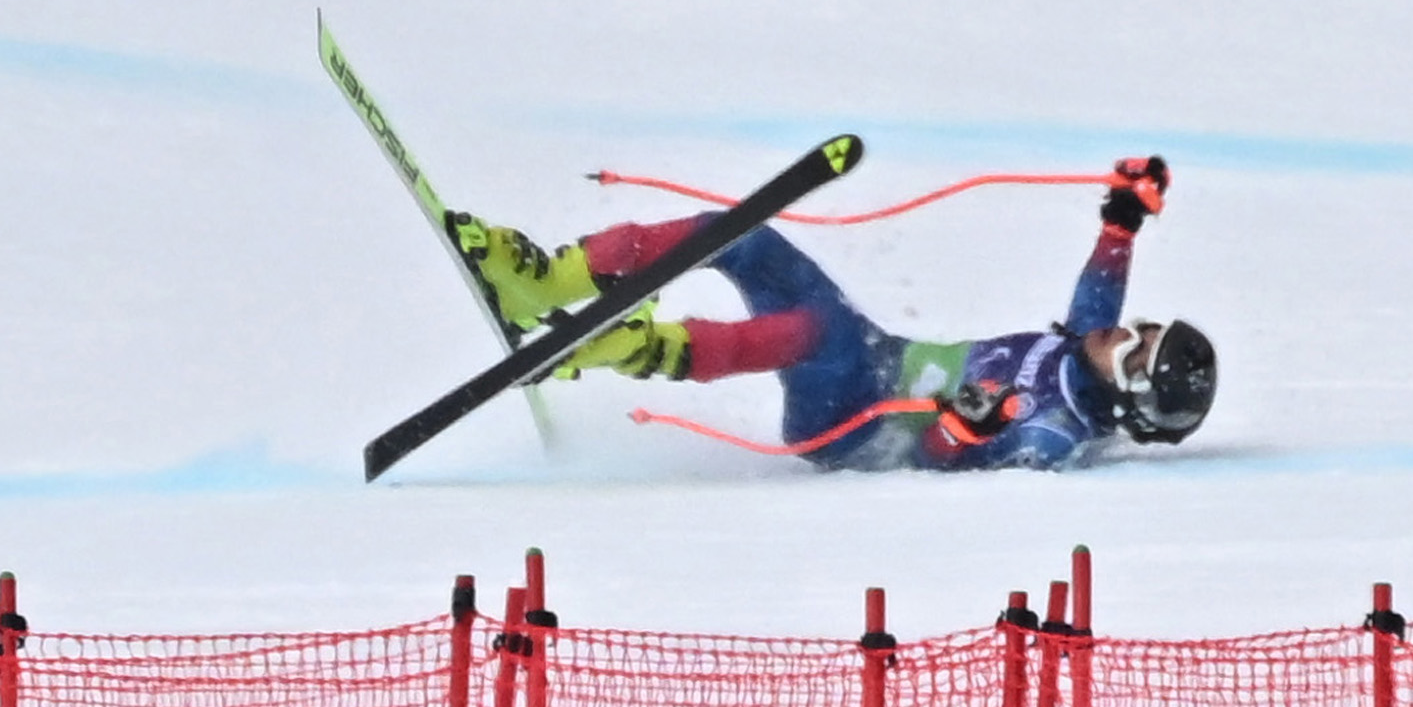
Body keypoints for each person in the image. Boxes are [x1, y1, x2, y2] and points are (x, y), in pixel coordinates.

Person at [447, 155, 1215, 470]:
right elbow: (1099, 300)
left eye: (1138, 353)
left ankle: (611, 348)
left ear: (1130, 398)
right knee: (745, 238)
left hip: (856, 424)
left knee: (813, 336)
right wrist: (1122, 223)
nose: (1129, 333)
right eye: (1146, 327)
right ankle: (549, 284)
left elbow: (981, 463)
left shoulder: (1054, 429)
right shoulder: (1086, 350)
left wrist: (959, 432)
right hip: (875, 352)